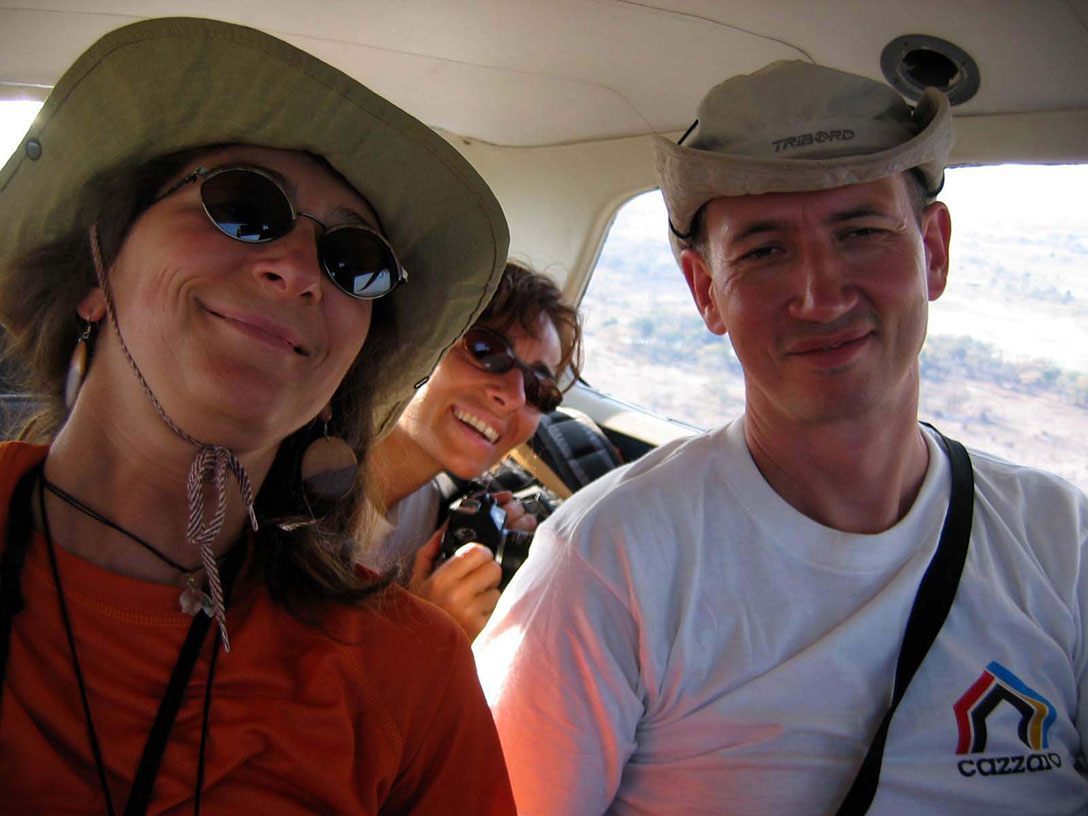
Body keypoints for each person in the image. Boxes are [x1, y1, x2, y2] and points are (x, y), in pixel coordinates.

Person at [473, 61, 1088, 814]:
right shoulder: (607, 566)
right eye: (764, 251)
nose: (820, 295)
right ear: (706, 291)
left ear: (934, 250)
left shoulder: (1061, 542)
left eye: (861, 232)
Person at [0, 17, 517, 813]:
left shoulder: (410, 676)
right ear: (96, 273)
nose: (300, 269)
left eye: (355, 262)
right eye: (241, 205)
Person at [365, 261, 582, 640]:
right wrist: (422, 631)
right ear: (416, 340)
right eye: (486, 350)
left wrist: (478, 551)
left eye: (538, 389)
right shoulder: (298, 503)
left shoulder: (430, 512)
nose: (514, 396)